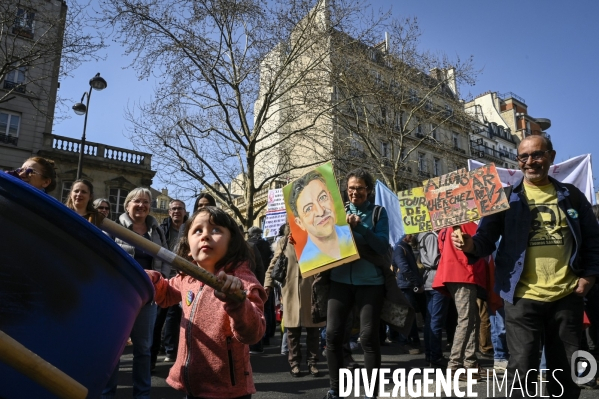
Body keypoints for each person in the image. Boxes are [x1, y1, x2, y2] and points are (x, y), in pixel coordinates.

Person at [452, 135, 599, 398]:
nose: (530, 162)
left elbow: (593, 240)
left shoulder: (572, 196)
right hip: (521, 297)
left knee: (566, 370)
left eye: (537, 155)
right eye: (524, 157)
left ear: (551, 157)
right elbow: (485, 240)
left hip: (567, 297)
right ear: (518, 161)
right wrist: (469, 244)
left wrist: (589, 276)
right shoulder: (505, 198)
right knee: (522, 371)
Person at [145, 206, 266, 399]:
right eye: (197, 231)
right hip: (191, 385)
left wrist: (238, 302)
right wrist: (148, 279)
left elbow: (254, 333)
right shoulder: (187, 278)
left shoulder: (242, 282)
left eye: (216, 230)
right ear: (188, 248)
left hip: (228, 391)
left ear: (232, 243)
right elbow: (166, 293)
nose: (205, 236)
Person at [325, 168, 389, 399]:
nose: (354, 193)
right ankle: (335, 389)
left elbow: (382, 246)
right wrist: (300, 240)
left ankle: (372, 393)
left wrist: (360, 226)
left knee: (368, 338)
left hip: (370, 283)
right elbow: (319, 240)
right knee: (332, 335)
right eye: (351, 188)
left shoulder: (378, 213)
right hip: (339, 280)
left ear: (369, 191)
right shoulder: (335, 211)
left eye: (360, 188)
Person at [101, 188, 170, 399]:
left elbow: (165, 258)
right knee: (115, 348)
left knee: (144, 348)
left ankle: (142, 394)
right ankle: (107, 394)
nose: (142, 205)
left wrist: (160, 283)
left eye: (146, 202)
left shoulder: (156, 231)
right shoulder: (113, 228)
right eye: (137, 201)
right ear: (127, 204)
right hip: (121, 296)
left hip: (147, 298)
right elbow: (104, 259)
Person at [264, 224, 325, 378]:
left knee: (313, 331)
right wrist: (267, 285)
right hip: (290, 291)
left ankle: (313, 363)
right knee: (292, 331)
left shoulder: (315, 239)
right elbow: (274, 265)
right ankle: (295, 363)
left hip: (311, 290)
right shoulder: (283, 242)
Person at [434, 221, 488, 380]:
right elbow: (480, 244)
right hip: (462, 272)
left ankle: (469, 363)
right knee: (466, 319)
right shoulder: (465, 223)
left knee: (472, 318)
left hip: (453, 273)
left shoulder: (444, 227)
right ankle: (455, 365)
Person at [288, 170, 354, 270]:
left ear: (331, 197)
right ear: (300, 223)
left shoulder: (352, 235)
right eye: (309, 208)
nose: (320, 211)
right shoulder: (307, 262)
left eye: (323, 198)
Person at [151, 199, 188, 366]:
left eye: (180, 209)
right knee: (158, 318)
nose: (176, 212)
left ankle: (171, 351)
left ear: (185, 212)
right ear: (169, 212)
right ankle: (153, 354)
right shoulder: (161, 229)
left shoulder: (189, 229)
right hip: (164, 276)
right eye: (173, 209)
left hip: (182, 277)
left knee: (173, 317)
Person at [417, 230, 449, 367]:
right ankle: (434, 356)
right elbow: (434, 259)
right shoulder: (430, 236)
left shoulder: (427, 235)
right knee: (435, 320)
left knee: (431, 320)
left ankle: (431, 355)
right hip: (436, 280)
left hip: (432, 281)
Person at [392, 234, 425, 354]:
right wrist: (417, 283)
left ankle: (412, 341)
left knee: (409, 314)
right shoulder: (400, 248)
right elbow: (404, 268)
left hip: (407, 285)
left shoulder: (404, 247)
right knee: (407, 315)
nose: (413, 236)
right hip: (405, 286)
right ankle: (404, 341)